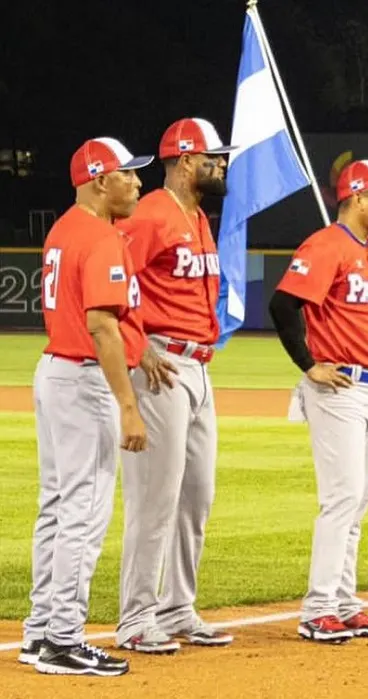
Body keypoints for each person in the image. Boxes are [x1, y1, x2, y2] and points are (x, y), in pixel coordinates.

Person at [22, 137, 152, 676]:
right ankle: (62, 638)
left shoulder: (63, 228)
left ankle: (38, 631)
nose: (137, 182)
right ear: (101, 180)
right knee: (84, 511)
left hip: (55, 373)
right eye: (128, 173)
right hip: (83, 379)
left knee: (57, 506)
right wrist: (128, 405)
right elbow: (102, 324)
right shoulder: (100, 237)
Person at [270, 159, 368, 643]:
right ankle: (318, 609)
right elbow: (283, 304)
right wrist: (309, 363)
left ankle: (346, 604)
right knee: (342, 499)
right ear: (355, 197)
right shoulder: (326, 245)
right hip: (339, 389)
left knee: (361, 498)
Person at [114, 118, 237, 654]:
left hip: (199, 368)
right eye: (214, 157)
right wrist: (140, 350)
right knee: (155, 498)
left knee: (196, 498)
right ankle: (136, 617)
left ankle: (178, 607)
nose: (222, 165)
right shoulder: (150, 216)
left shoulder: (198, 217)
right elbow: (113, 285)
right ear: (186, 160)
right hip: (162, 366)